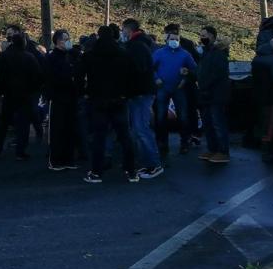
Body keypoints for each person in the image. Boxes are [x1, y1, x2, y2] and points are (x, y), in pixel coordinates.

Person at [80, 26, 137, 184]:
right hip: (119, 100)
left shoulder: (90, 55)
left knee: (99, 137)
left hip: (98, 100)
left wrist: (85, 91)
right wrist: (126, 94)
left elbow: (79, 75)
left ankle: (96, 172)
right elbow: (132, 77)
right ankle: (131, 170)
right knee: (125, 136)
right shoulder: (123, 54)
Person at [121, 18, 162, 179]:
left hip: (140, 93)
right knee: (139, 129)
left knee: (141, 129)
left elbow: (136, 70)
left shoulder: (135, 47)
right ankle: (148, 162)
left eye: (123, 30)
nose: (122, 33)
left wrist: (129, 88)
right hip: (142, 92)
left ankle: (153, 163)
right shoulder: (143, 44)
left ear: (128, 30)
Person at [0, 33, 43, 161]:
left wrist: (1, 90)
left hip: (8, 94)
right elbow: (37, 77)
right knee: (23, 124)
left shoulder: (3, 56)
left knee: (3, 124)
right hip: (25, 95)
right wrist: (33, 91)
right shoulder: (29, 57)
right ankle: (20, 151)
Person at [152, 31, 198, 156]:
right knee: (161, 117)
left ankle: (184, 142)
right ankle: (162, 143)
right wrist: (156, 78)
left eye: (176, 39)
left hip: (179, 89)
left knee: (183, 116)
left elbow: (194, 69)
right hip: (162, 88)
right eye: (172, 39)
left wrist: (186, 77)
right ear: (167, 40)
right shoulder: (159, 53)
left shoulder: (185, 54)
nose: (174, 41)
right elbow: (150, 67)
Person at [196, 26, 231, 164]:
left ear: (211, 36)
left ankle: (223, 151)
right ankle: (212, 148)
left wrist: (204, 84)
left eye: (204, 35)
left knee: (218, 122)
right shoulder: (206, 52)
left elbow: (217, 74)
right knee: (208, 123)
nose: (201, 38)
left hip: (216, 94)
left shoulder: (218, 53)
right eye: (201, 35)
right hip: (205, 94)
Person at [46, 30, 79, 170]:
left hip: (71, 97)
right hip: (58, 97)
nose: (68, 41)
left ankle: (69, 158)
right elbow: (50, 77)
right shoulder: (52, 57)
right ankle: (56, 159)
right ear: (58, 41)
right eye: (66, 39)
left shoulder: (71, 56)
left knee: (70, 128)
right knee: (57, 129)